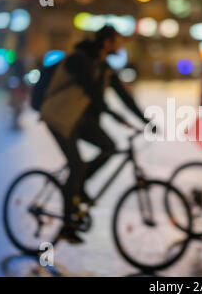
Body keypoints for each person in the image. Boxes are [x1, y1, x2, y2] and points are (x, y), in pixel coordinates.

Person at [41, 26, 151, 243]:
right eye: (117, 41)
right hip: (60, 117)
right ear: (107, 42)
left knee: (109, 147)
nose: (120, 46)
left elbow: (124, 96)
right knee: (77, 164)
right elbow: (92, 92)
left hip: (78, 119)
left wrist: (146, 121)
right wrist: (115, 116)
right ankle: (67, 223)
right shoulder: (80, 60)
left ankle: (79, 185)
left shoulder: (104, 66)